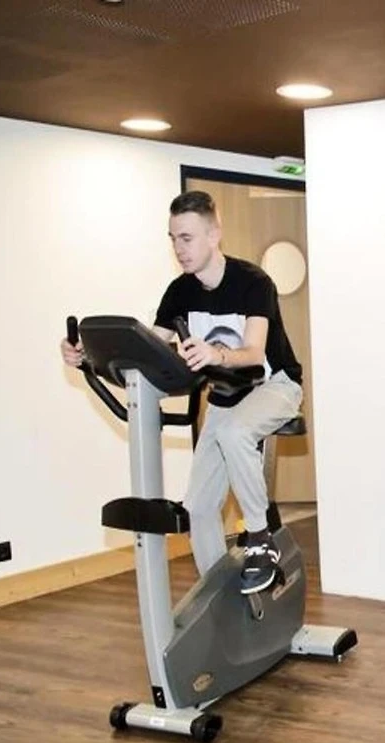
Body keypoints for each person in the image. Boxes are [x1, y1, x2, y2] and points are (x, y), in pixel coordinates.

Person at [61, 190, 304, 594]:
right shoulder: (180, 292)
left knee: (234, 433)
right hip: (225, 397)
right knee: (199, 508)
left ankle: (260, 539)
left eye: (187, 238)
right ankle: (218, 594)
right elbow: (146, 352)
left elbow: (253, 352)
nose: (179, 248)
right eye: (173, 238)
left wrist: (216, 354)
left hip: (274, 385)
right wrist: (86, 356)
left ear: (214, 235)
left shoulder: (253, 283)